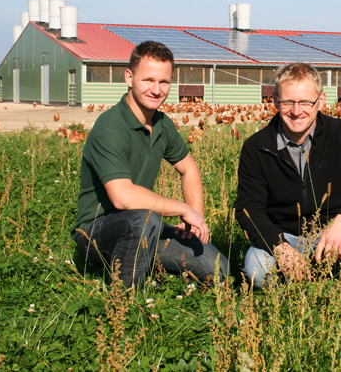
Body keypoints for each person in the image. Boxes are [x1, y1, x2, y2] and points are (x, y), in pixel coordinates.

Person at [72, 41, 228, 289]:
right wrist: (181, 209)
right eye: (148, 80)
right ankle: (125, 302)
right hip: (96, 232)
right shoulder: (111, 127)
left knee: (217, 268)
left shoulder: (162, 124)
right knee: (144, 220)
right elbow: (122, 197)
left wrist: (194, 219)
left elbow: (190, 169)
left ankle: (157, 273)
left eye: (164, 82)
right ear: (129, 77)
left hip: (144, 225)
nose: (156, 90)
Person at [234, 62, 341, 288]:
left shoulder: (340, 134)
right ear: (276, 101)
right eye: (288, 102)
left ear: (321, 101)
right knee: (257, 268)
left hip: (333, 233)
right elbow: (249, 208)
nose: (297, 111)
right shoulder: (256, 147)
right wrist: (280, 248)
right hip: (286, 238)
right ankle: (296, 292)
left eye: (306, 102)